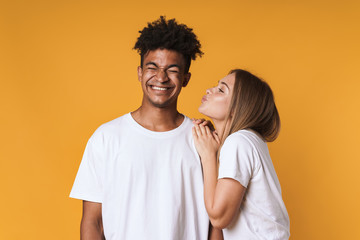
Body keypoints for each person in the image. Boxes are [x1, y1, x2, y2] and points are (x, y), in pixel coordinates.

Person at [70, 16, 210, 240]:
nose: (161, 77)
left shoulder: (203, 138)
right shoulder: (106, 137)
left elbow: (216, 221)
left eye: (172, 70)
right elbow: (93, 222)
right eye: (152, 67)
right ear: (139, 72)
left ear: (186, 78)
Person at [192, 69, 290, 239]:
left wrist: (208, 156)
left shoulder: (239, 142)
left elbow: (219, 217)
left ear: (237, 109)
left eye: (221, 90)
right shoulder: (248, 141)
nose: (210, 90)